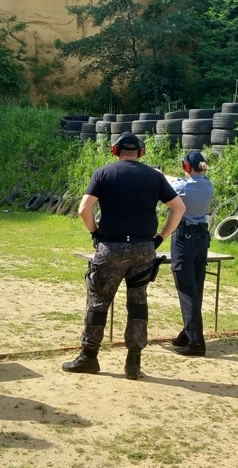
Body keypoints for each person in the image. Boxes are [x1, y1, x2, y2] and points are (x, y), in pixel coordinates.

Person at [63, 132, 186, 379]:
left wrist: (94, 232)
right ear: (141, 153)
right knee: (138, 304)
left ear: (115, 151)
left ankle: (89, 356)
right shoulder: (154, 176)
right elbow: (178, 208)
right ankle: (133, 363)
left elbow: (84, 208)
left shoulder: (104, 173)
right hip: (143, 249)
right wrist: (161, 237)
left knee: (98, 301)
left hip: (112, 247)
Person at [163, 150, 215, 356]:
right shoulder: (207, 184)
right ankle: (187, 332)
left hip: (184, 239)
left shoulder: (182, 187)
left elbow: (171, 185)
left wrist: (158, 175)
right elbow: (177, 181)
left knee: (186, 289)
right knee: (195, 287)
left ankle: (196, 342)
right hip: (201, 240)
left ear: (186, 167)